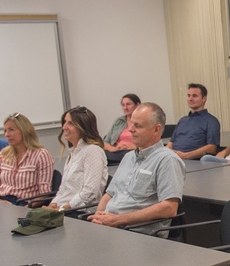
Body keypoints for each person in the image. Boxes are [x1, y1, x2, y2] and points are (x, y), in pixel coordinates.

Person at [89, 102, 184, 234]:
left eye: (138, 126)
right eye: (131, 124)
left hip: (137, 234)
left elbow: (169, 208)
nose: (130, 129)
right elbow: (109, 195)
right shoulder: (128, 157)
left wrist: (117, 220)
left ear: (156, 130)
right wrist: (99, 219)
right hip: (111, 228)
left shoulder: (167, 160)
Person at [46, 106, 108, 212]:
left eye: (70, 123)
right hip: (65, 210)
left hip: (80, 212)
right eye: (65, 122)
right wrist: (53, 204)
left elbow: (90, 192)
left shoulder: (92, 151)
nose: (64, 127)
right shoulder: (73, 153)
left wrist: (62, 208)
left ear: (83, 127)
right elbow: (63, 190)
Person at [0, 113, 55, 205]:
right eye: (5, 131)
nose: (7, 134)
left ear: (24, 131)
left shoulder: (41, 155)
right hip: (3, 201)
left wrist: (27, 208)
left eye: (11, 130)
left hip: (26, 202)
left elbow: (44, 192)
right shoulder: (3, 154)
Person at [166, 83, 221, 160]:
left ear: (204, 99)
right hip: (173, 159)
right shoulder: (183, 120)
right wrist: (167, 153)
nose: (190, 99)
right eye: (189, 95)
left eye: (194, 96)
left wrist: (185, 155)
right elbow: (171, 143)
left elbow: (211, 148)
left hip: (193, 161)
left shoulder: (211, 121)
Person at [103, 93, 140, 162]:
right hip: (115, 154)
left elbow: (150, 144)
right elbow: (105, 142)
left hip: (135, 153)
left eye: (128, 104)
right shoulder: (119, 121)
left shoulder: (143, 121)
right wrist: (114, 149)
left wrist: (132, 147)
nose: (125, 108)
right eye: (123, 105)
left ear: (137, 105)